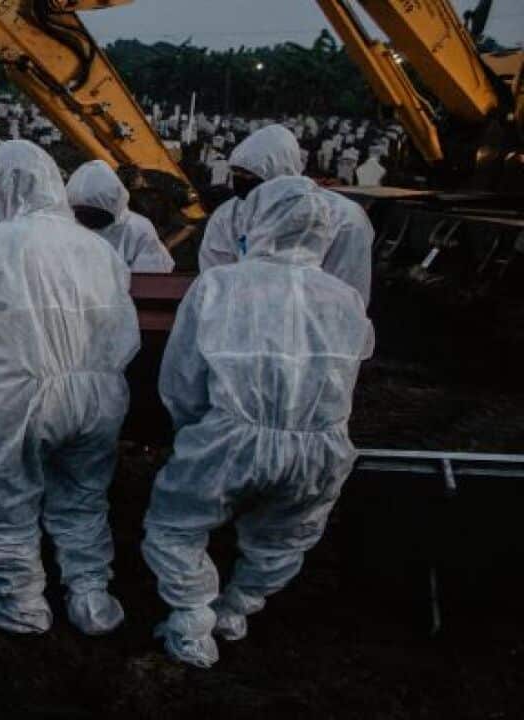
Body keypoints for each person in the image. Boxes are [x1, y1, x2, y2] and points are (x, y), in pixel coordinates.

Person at [142, 177, 375, 669]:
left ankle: (192, 620)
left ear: (258, 220)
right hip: (319, 449)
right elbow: (348, 376)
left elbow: (182, 377)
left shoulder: (219, 284)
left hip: (230, 439)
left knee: (175, 527)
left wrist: (194, 434)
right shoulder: (346, 298)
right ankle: (236, 609)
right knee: (282, 537)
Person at [0, 141, 141, 636]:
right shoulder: (98, 248)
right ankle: (90, 596)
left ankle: (20, 602)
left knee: (2, 500)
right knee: (82, 496)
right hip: (100, 394)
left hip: (21, 394)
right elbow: (123, 328)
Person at [197, 124, 374, 306]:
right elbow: (215, 278)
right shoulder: (228, 216)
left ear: (280, 172)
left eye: (248, 174)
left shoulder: (343, 218)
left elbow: (348, 290)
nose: (240, 179)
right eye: (236, 172)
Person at [65, 160, 175, 273]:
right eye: (82, 211)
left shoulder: (137, 229)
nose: (88, 217)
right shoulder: (69, 227)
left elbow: (150, 276)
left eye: (92, 212)